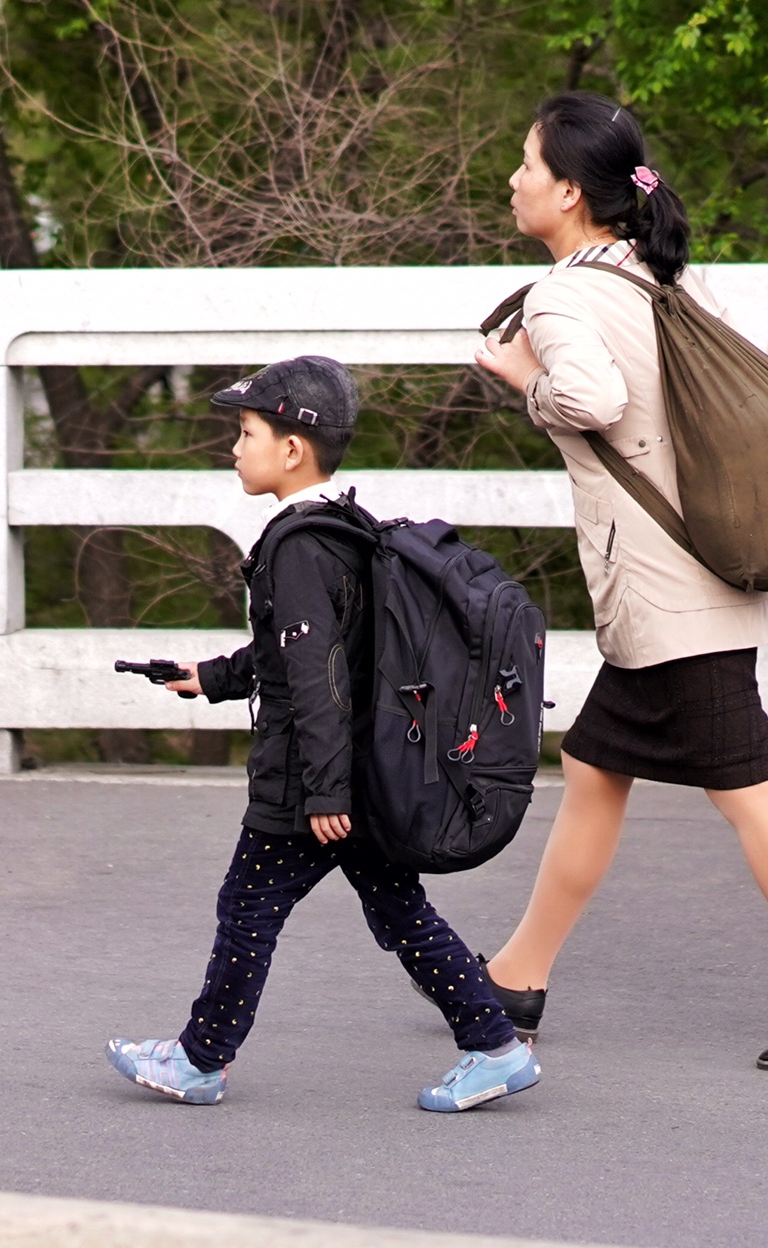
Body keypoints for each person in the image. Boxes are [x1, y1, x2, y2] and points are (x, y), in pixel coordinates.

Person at [471, 91, 768, 1073]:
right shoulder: (664, 276)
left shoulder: (565, 296)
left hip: (676, 603)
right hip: (697, 580)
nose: (513, 180)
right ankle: (516, 973)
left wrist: (518, 379)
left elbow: (594, 397)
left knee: (753, 795)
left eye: (527, 166)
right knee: (594, 771)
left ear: (571, 192)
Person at [105, 355, 542, 1111]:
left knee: (248, 909)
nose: (234, 448)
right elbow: (303, 652)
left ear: (292, 447)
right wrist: (210, 676)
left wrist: (324, 791)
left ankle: (199, 1060)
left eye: (245, 432)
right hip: (356, 775)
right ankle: (495, 1044)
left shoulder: (297, 545)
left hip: (314, 784)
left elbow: (321, 677)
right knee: (399, 911)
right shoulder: (345, 527)